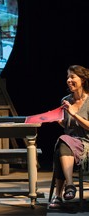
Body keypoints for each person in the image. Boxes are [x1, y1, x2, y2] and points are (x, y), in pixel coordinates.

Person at [49, 65, 89, 209]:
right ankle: (70, 186)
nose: (68, 80)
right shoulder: (66, 100)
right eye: (68, 77)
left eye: (72, 77)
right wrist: (61, 122)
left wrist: (74, 114)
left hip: (86, 143)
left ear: (83, 79)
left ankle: (59, 195)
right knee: (63, 142)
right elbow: (68, 127)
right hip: (69, 143)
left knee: (61, 144)